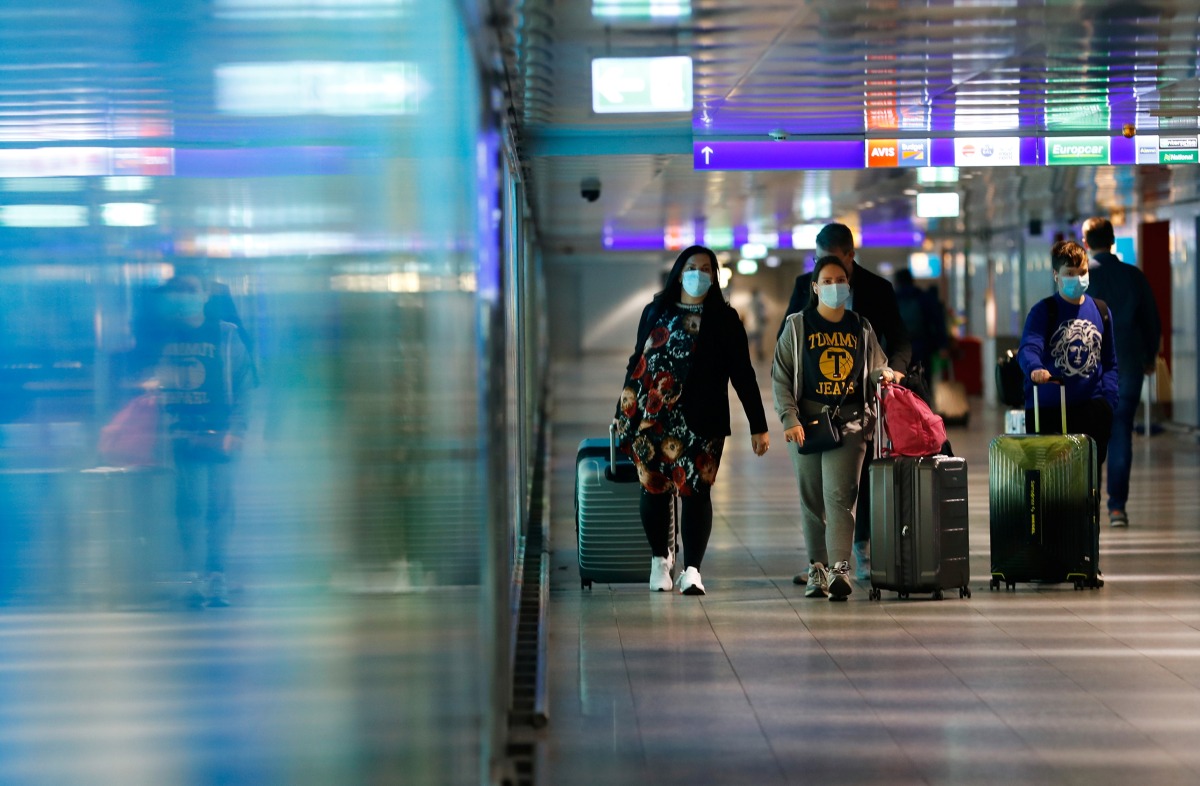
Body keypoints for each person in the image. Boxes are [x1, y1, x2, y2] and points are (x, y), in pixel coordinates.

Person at [615, 245, 770, 596]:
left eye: (706, 268)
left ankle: (692, 570)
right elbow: (636, 362)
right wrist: (625, 411)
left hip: (704, 420)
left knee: (696, 493)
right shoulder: (656, 310)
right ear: (678, 272)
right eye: (691, 267)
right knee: (654, 488)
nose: (698, 274)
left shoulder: (725, 320)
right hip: (653, 420)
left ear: (715, 276)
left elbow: (743, 375)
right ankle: (660, 560)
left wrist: (758, 425)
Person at [779, 223, 911, 580]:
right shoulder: (803, 288)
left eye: (834, 265)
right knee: (816, 494)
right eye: (819, 263)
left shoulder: (876, 292)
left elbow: (899, 340)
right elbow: (786, 346)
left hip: (855, 407)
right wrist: (788, 412)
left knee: (849, 488)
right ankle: (820, 566)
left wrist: (890, 373)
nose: (829, 278)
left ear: (850, 257)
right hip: (811, 412)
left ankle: (855, 556)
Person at [156, 274, 254, 608]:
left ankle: (215, 574)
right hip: (180, 434)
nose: (183, 297)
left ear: (204, 296)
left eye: (190, 290)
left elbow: (243, 385)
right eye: (178, 291)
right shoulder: (163, 337)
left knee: (218, 507)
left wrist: (237, 430)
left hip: (219, 433)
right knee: (188, 507)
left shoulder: (225, 335)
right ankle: (193, 575)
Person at [1080, 217, 1162, 527]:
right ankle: (1117, 509)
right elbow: (1151, 320)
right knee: (1120, 431)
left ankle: (1089, 508)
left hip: (1090, 372)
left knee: (1088, 439)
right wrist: (1150, 355)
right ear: (1112, 241)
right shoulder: (1134, 276)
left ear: (1087, 243)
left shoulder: (1083, 278)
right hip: (1128, 365)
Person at [1018, 240, 1117, 465]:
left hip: (1092, 409)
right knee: (1052, 481)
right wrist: (1036, 369)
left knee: (1088, 483)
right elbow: (1029, 347)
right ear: (1056, 275)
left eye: (1082, 272)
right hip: (1051, 408)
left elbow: (1110, 362)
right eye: (1069, 273)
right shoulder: (1043, 311)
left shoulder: (1101, 311)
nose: (1077, 278)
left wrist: (1109, 401)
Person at [745, 289, 768, 361]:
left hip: (751, 326)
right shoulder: (759, 303)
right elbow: (762, 315)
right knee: (758, 342)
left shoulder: (750, 303)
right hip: (757, 326)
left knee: (750, 341)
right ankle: (759, 355)